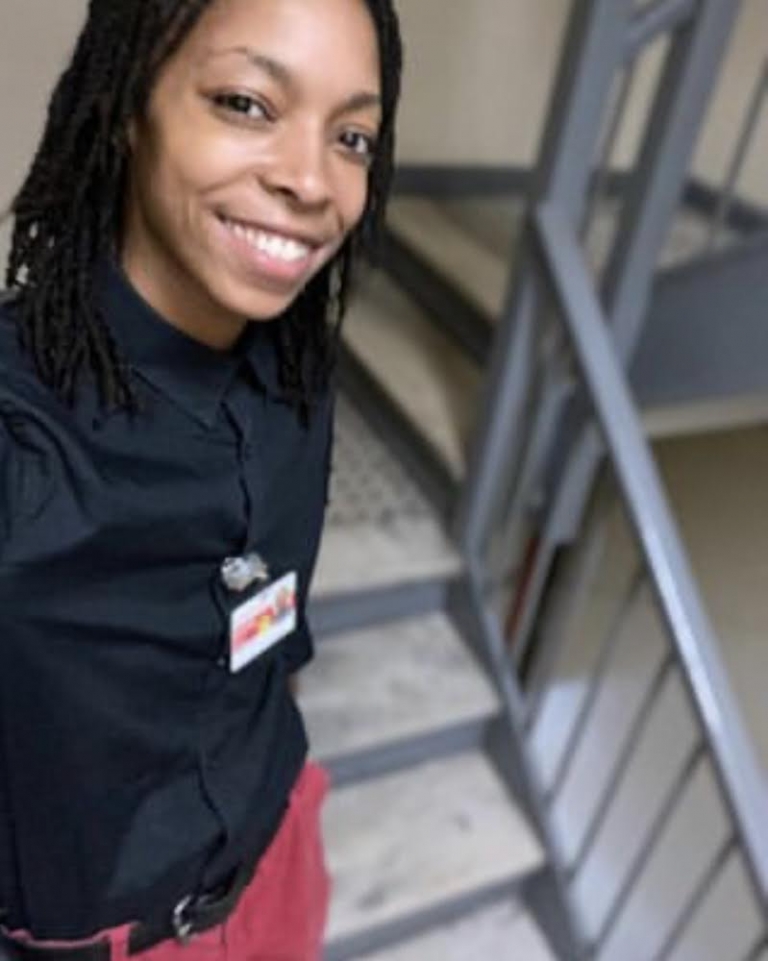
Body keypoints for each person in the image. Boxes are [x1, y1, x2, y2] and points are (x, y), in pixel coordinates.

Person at [0, 0, 402, 958]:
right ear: (131, 103)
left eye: (351, 135)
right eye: (247, 102)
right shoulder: (19, 442)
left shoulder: (300, 375)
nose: (313, 181)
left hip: (278, 862)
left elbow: (272, 635)